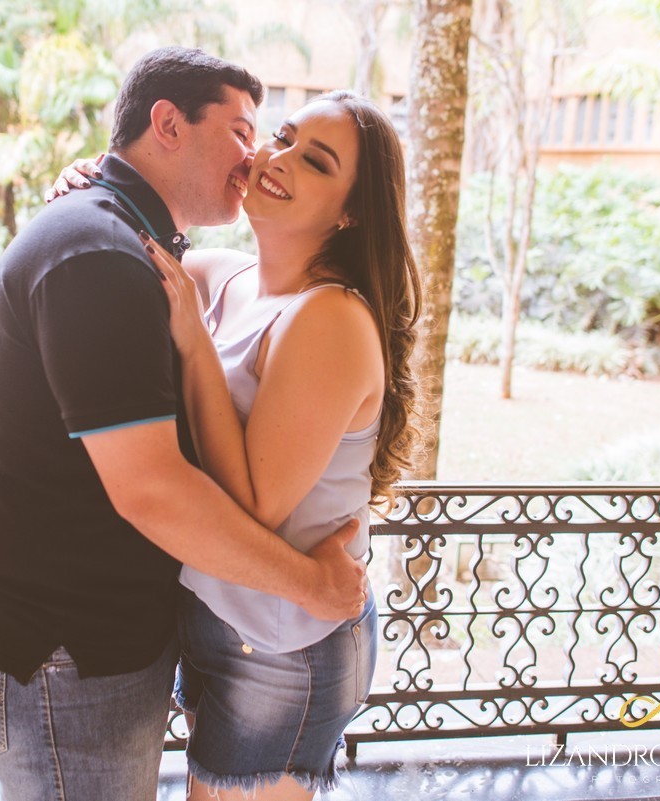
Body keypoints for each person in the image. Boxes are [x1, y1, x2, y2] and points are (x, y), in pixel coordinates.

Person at [0, 47, 368, 801]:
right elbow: (153, 489)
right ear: (167, 124)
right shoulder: (101, 254)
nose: (258, 156)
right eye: (246, 133)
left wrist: (100, 182)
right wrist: (314, 584)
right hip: (64, 650)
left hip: (162, 641)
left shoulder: (145, 246)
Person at [52, 90, 421, 799]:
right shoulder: (226, 277)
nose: (276, 160)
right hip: (223, 611)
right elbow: (122, 250)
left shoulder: (330, 318)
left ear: (349, 213)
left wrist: (193, 343)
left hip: (285, 638)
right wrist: (94, 183)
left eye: (314, 161)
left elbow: (255, 500)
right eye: (280, 137)